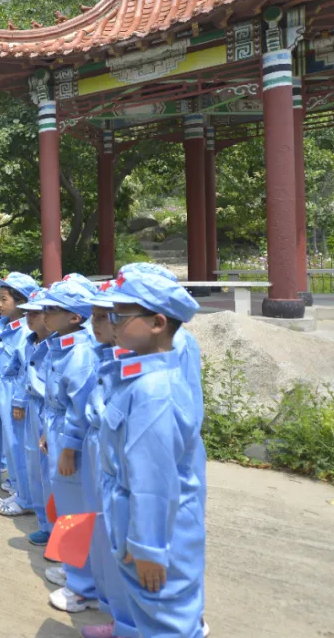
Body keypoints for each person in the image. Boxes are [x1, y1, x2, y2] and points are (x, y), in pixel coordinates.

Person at [99, 270, 206, 638]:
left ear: (158, 323)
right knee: (150, 617)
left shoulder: (154, 392)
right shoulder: (139, 379)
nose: (111, 324)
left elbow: (153, 482)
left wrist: (148, 548)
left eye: (120, 316)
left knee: (166, 623)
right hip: (139, 522)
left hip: (156, 530)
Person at [34, 278, 100, 613]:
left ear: (74, 316)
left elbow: (81, 406)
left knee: (77, 508)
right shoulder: (64, 343)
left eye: (52, 309)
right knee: (66, 503)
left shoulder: (82, 350)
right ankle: (78, 569)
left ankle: (84, 587)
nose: (44, 315)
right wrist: (49, 430)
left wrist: (70, 447)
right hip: (58, 428)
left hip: (71, 435)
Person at [77, 280, 137, 638]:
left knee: (135, 549)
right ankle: (121, 620)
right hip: (107, 457)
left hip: (129, 468)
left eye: (102, 317)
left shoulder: (149, 370)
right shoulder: (106, 355)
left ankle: (135, 625)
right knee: (109, 535)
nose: (93, 324)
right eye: (93, 316)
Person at [0, 271, 39, 517]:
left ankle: (26, 497)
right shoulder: (4, 325)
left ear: (21, 302)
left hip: (15, 390)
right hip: (2, 386)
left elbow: (25, 371)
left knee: (18, 443)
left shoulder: (23, 332)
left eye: (5, 298)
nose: (0, 303)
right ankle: (19, 487)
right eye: (0, 298)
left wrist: (18, 399)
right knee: (11, 442)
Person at [16, 287, 56, 546]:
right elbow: (21, 373)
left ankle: (58, 530)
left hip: (50, 408)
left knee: (53, 472)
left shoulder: (58, 345)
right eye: (27, 312)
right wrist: (19, 400)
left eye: (36, 312)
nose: (29, 317)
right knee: (35, 466)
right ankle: (45, 524)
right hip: (32, 404)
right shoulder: (30, 341)